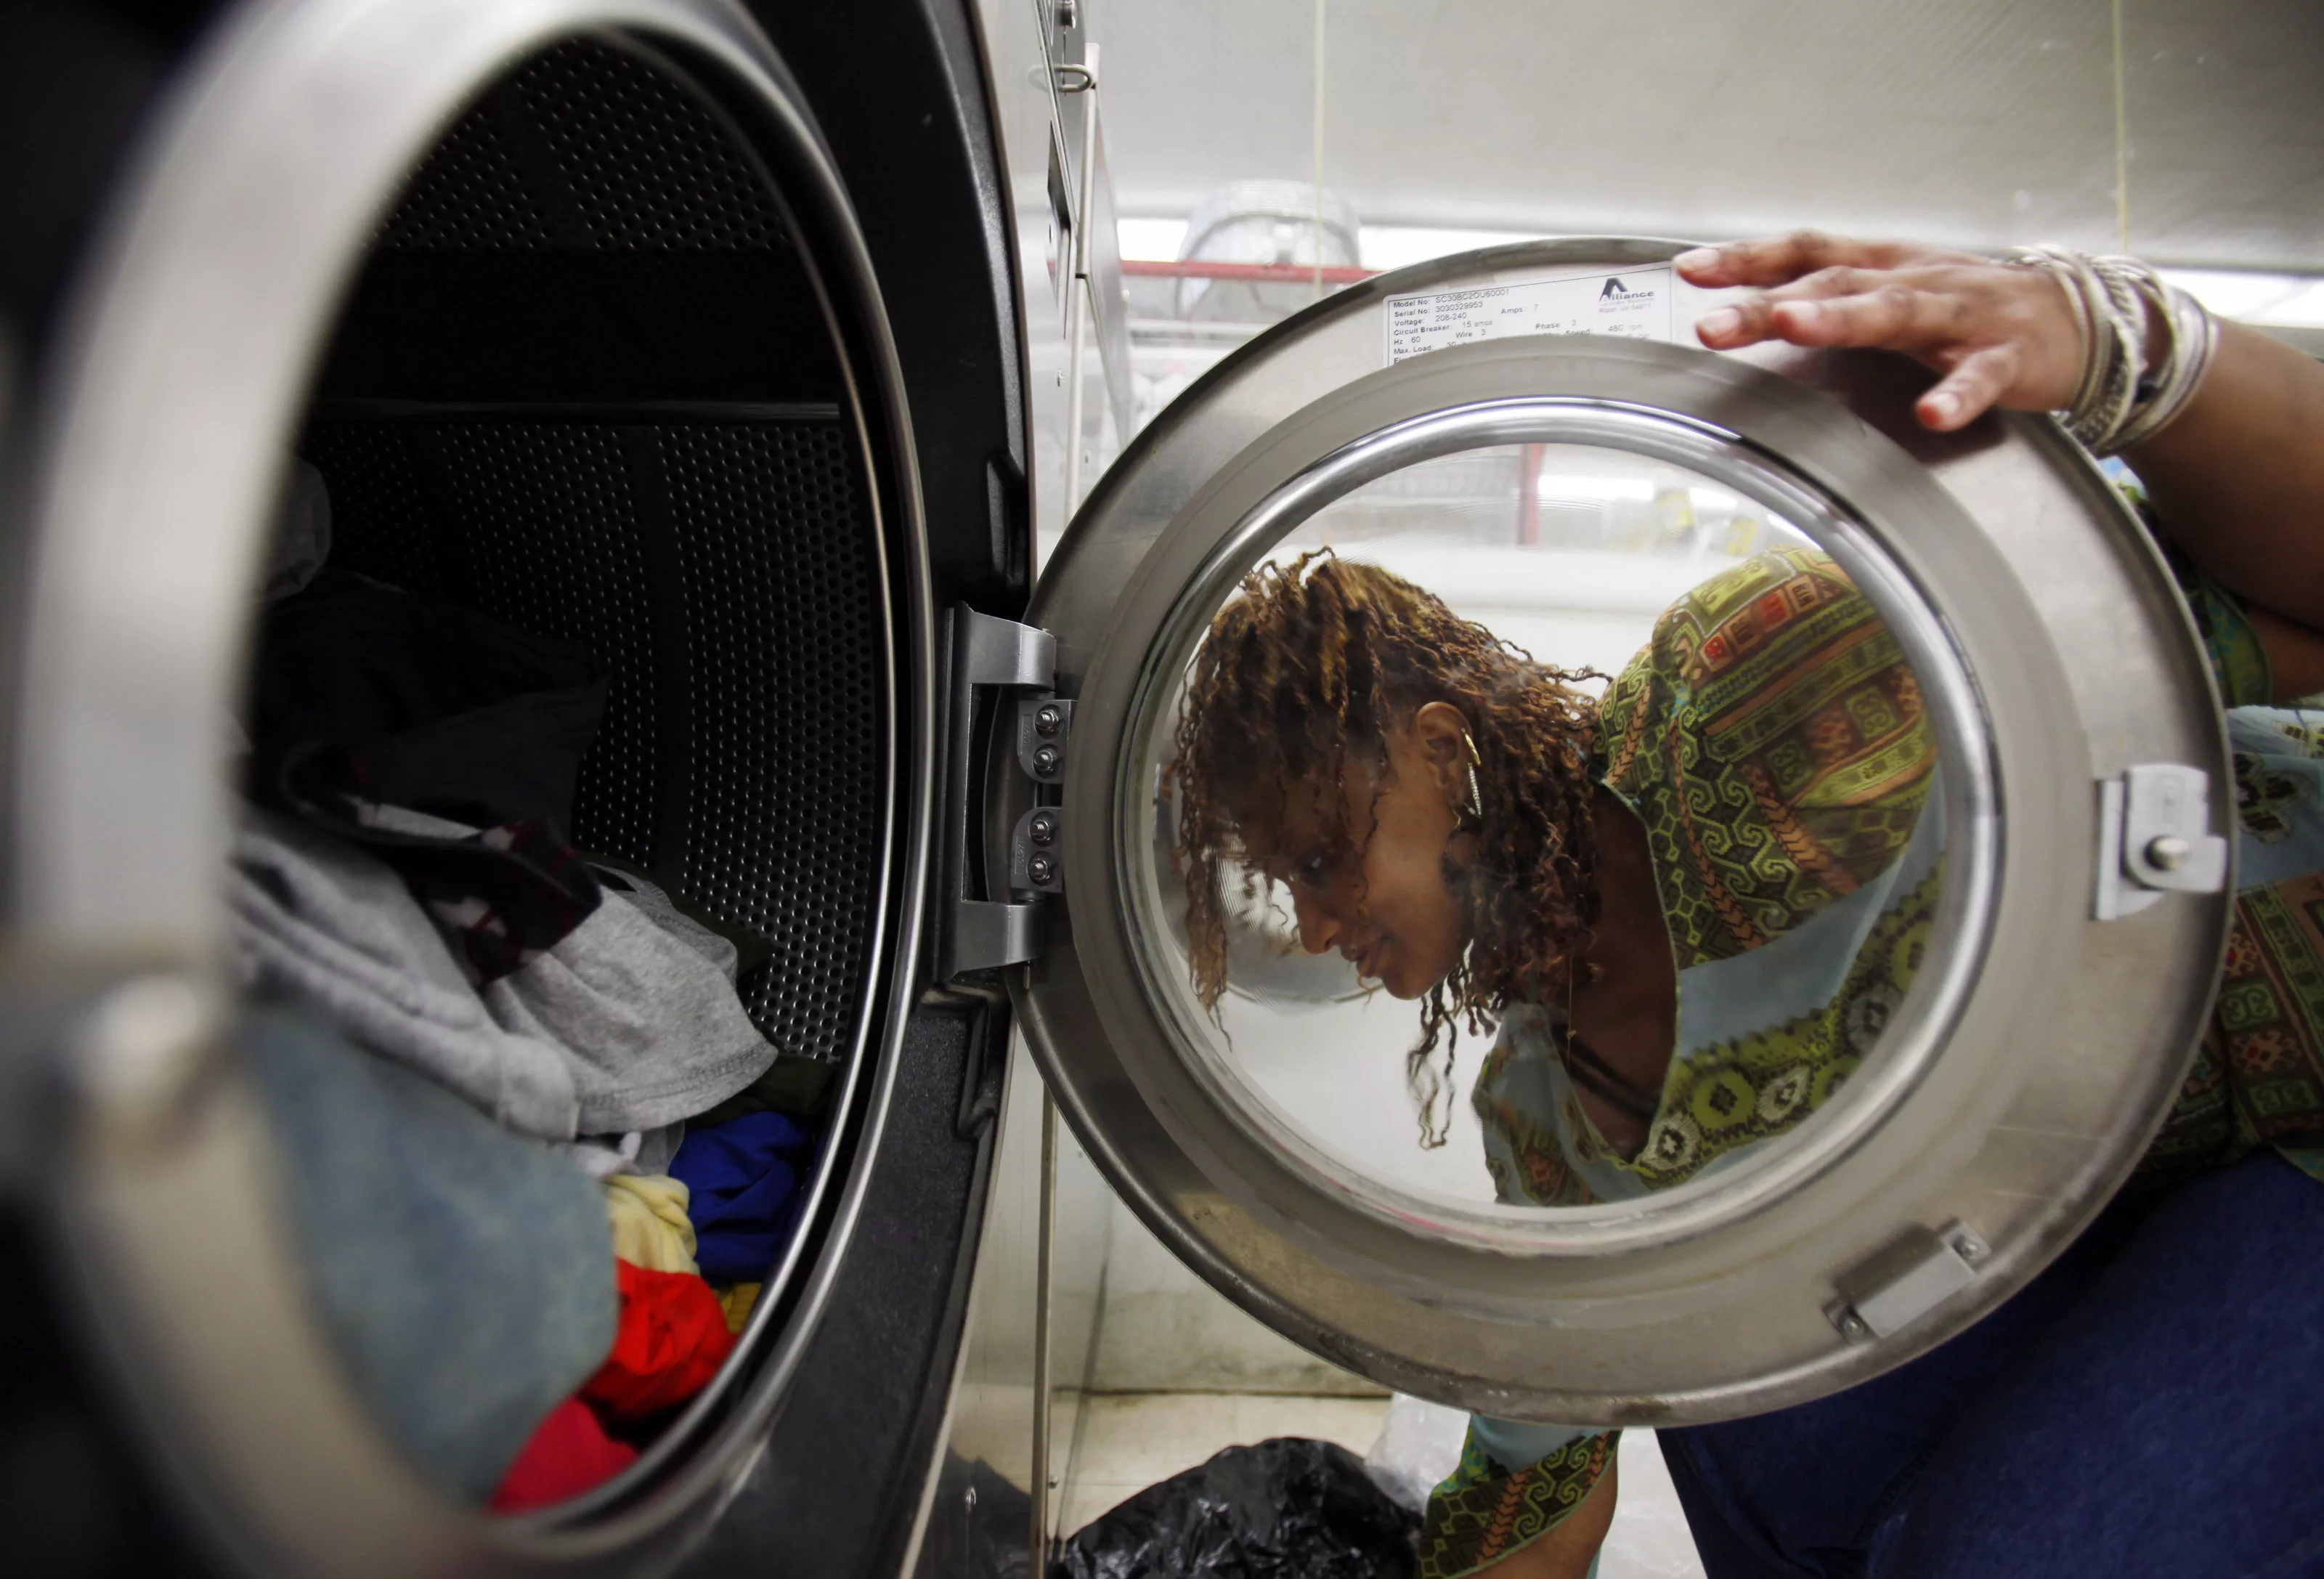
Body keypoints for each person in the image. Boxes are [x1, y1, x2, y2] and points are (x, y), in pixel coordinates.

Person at [1169, 233, 2324, 1579]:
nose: (1313, 930)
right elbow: (1536, 1468)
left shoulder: (1757, 690)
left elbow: (2275, 613)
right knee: (1706, 1369)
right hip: (2146, 1204)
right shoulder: (1547, 1123)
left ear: (1438, 748)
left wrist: (2127, 343)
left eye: (1318, 859)